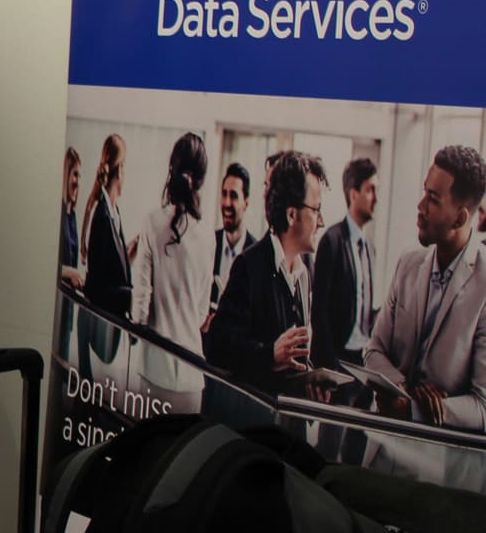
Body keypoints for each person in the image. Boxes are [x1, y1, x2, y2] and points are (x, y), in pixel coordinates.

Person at [365, 146, 486, 431]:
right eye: (424, 192)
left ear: (459, 218)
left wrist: (414, 410)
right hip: (381, 448)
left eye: (433, 199)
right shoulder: (408, 263)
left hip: (439, 466)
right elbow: (374, 351)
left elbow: (483, 406)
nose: (420, 206)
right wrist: (401, 389)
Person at [205, 151, 327, 395]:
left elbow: (292, 360)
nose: (322, 221)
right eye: (316, 209)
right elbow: (217, 346)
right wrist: (270, 354)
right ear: (292, 215)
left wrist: (309, 379)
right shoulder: (249, 266)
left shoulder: (304, 274)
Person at [128, 133, 211, 413]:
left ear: (171, 170)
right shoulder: (208, 236)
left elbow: (139, 310)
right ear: (201, 179)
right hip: (192, 378)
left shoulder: (151, 223)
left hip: (155, 371)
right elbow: (200, 314)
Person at [314, 157, 379, 368]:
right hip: (336, 361)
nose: (376, 198)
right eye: (370, 190)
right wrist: (329, 366)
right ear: (353, 194)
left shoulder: (369, 248)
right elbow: (319, 312)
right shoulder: (331, 241)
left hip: (363, 360)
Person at [81, 133, 132, 317]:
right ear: (120, 170)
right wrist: (130, 297)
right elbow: (96, 288)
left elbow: (111, 268)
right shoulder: (101, 216)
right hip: (100, 331)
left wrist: (130, 253)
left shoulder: (113, 212)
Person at [209, 161, 256, 318]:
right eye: (224, 194)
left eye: (234, 196)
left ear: (246, 203)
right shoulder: (208, 244)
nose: (227, 203)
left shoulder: (256, 256)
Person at [59, 146, 85, 288]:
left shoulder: (72, 216)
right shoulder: (56, 215)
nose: (77, 182)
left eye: (79, 176)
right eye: (74, 174)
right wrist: (70, 272)